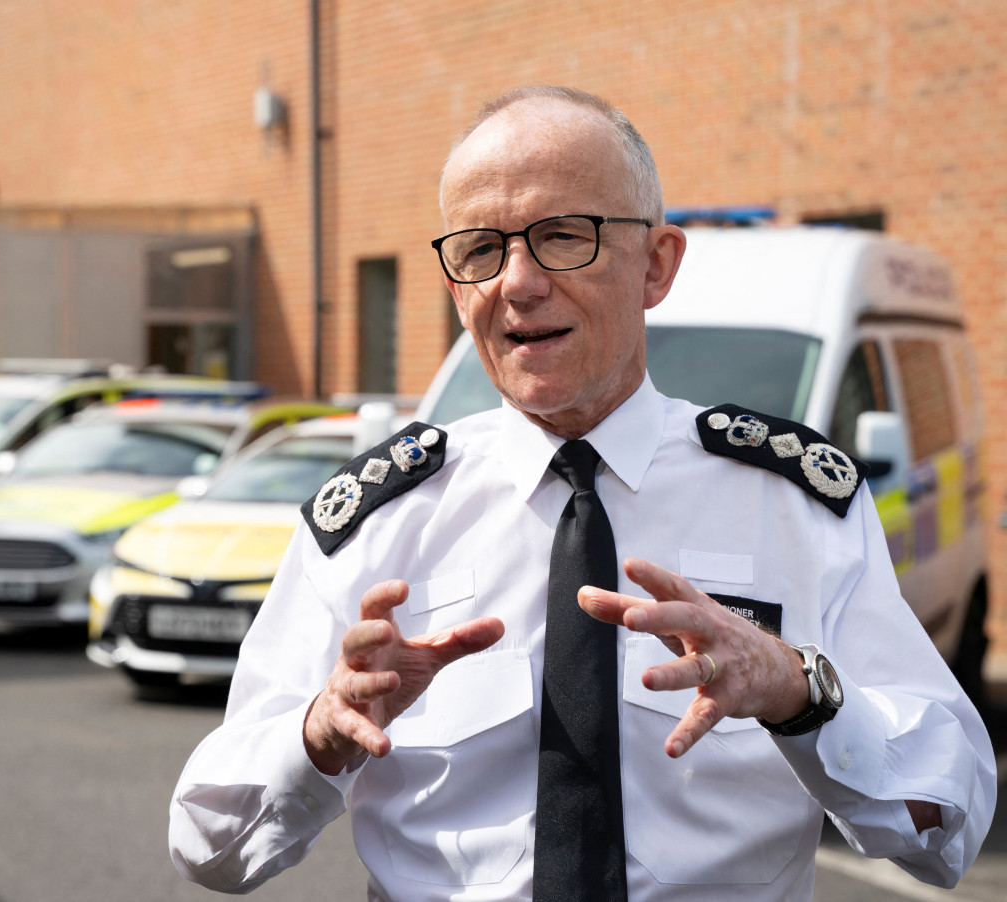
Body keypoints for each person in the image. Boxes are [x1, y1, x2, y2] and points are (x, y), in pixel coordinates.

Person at [169, 86, 996, 901]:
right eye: (480, 249)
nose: (518, 283)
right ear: (456, 285)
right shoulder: (379, 525)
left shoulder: (794, 507)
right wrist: (318, 734)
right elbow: (208, 847)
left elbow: (948, 826)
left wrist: (799, 693)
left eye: (564, 237)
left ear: (657, 265)